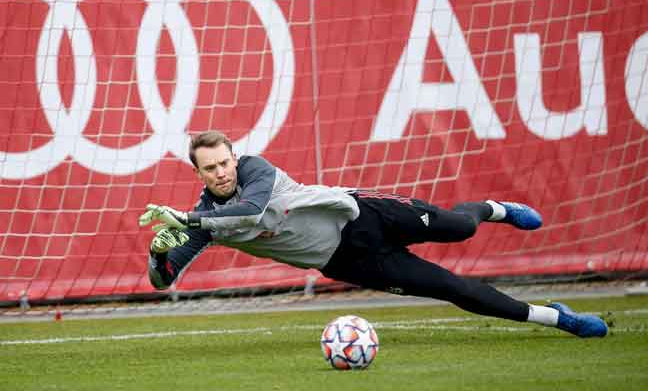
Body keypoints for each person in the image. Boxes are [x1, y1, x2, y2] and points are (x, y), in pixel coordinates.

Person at [139, 130, 608, 338]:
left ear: (234, 158)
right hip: (349, 261)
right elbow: (165, 279)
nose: (221, 172)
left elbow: (251, 209)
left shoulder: (255, 171)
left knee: (462, 226)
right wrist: (161, 257)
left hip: (364, 214)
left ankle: (494, 208)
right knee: (452, 288)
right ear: (198, 173)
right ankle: (554, 318)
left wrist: (185, 221)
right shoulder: (202, 219)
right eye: (210, 168)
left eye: (224, 162)